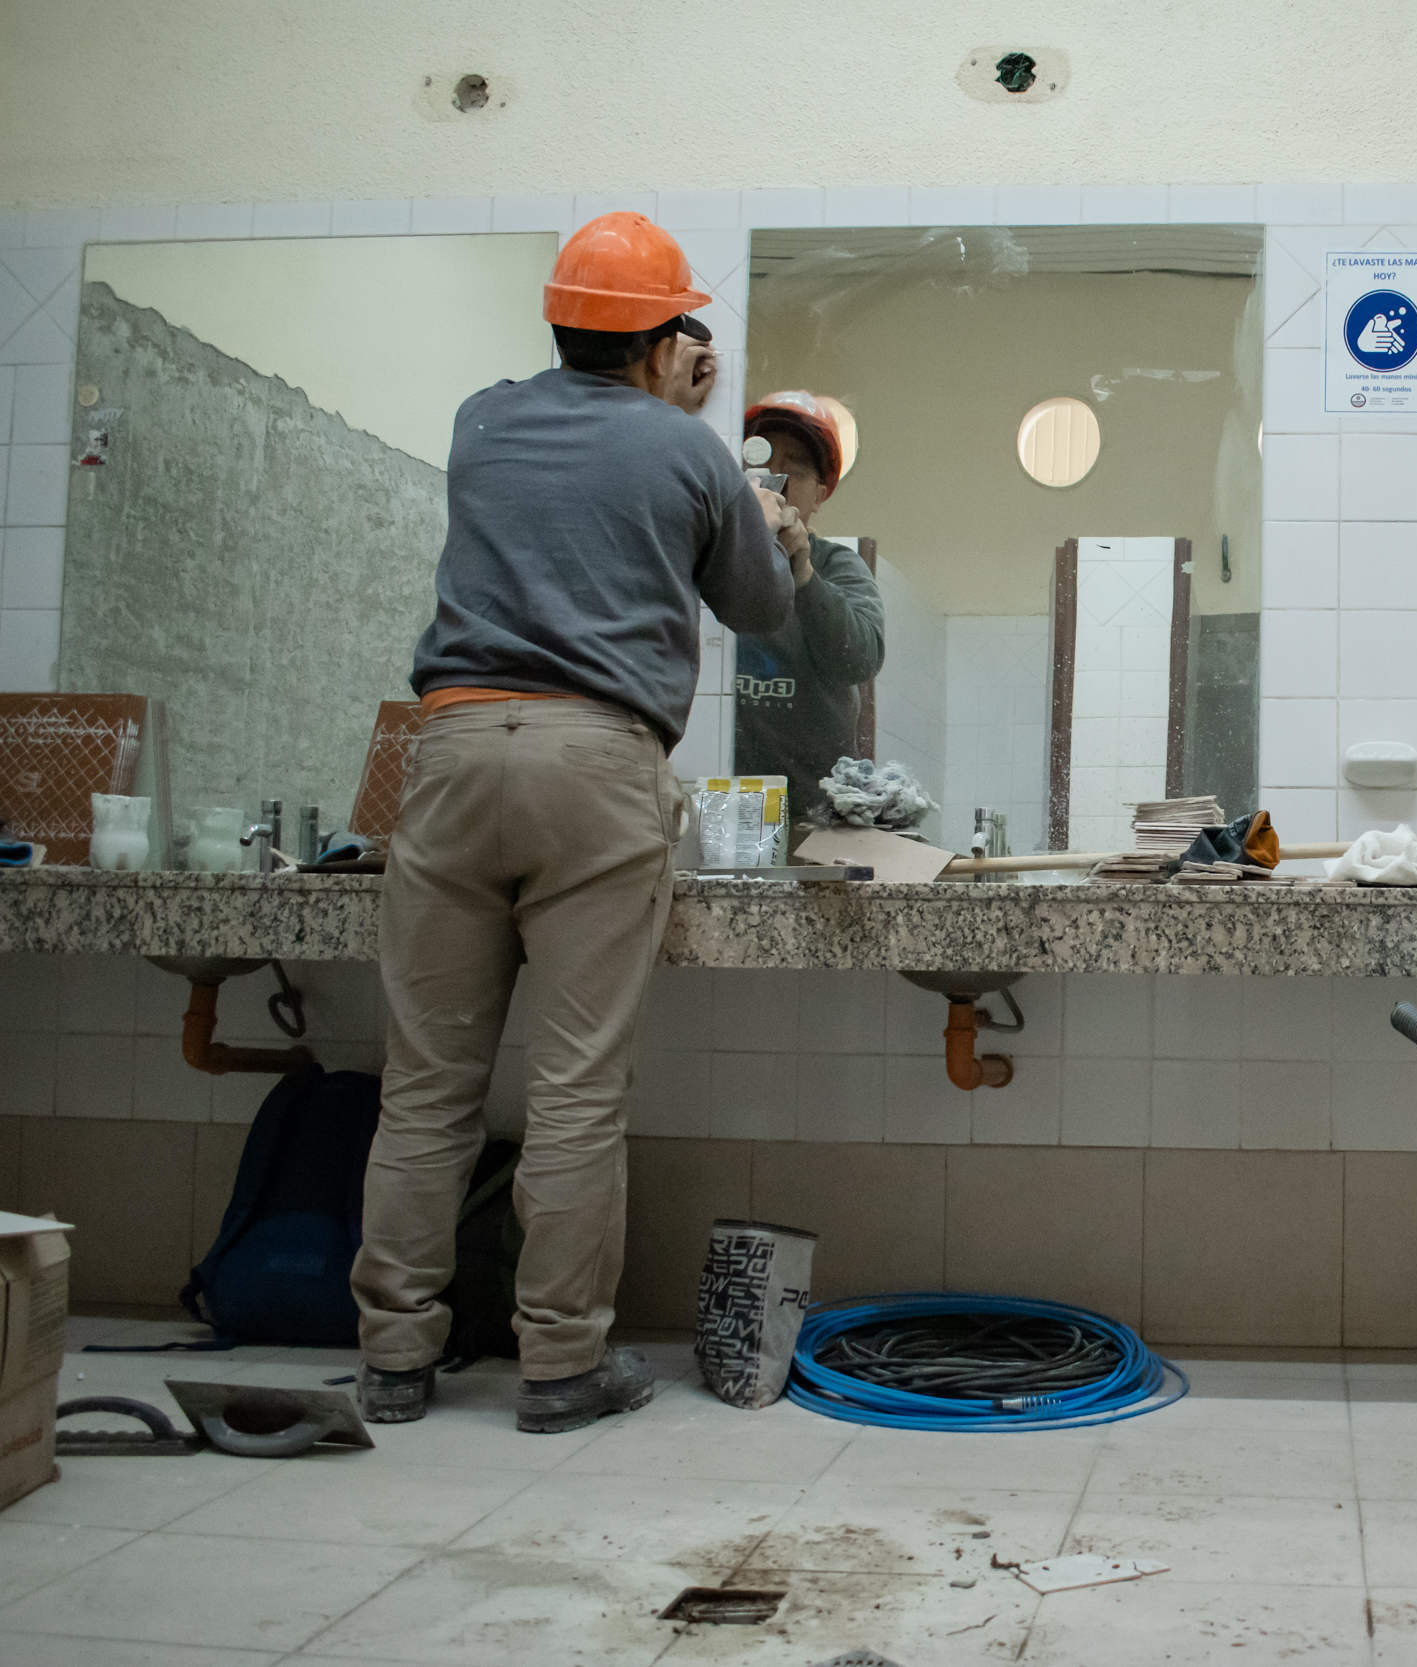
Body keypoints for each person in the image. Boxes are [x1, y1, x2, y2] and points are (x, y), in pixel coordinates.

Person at [351, 212, 793, 1433]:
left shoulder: (480, 422)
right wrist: (703, 444)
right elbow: (758, 602)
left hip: (444, 750)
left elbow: (571, 482)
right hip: (595, 763)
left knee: (426, 1087)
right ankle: (558, 1364)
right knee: (574, 1088)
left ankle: (393, 1356)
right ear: (664, 342)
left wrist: (660, 404)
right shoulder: (687, 451)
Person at [731, 391, 885, 795]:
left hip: (814, 810)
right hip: (717, 799)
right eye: (758, 462)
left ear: (820, 494)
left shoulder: (838, 565)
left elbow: (861, 661)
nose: (771, 479)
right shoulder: (710, 558)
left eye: (794, 469)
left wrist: (802, 573)